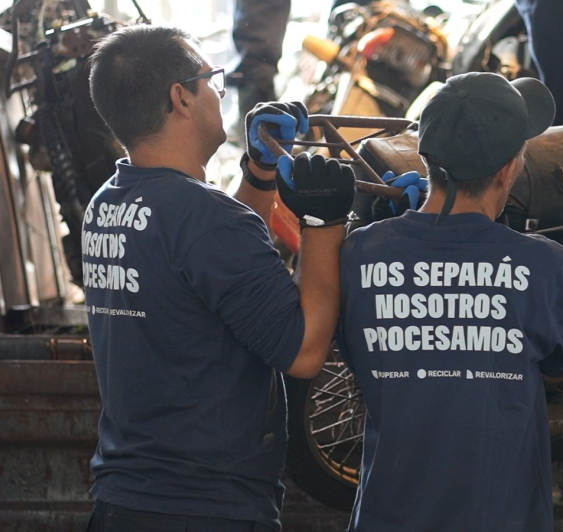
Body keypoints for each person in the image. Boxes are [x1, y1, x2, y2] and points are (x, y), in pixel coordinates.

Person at [82, 25, 353, 531]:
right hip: (204, 507)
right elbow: (304, 351)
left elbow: (220, 270)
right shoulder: (206, 219)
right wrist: (324, 223)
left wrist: (260, 173)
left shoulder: (109, 203)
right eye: (214, 80)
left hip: (126, 502)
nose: (220, 94)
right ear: (181, 98)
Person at [334, 72, 563, 530]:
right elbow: (560, 367)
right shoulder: (544, 265)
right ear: (509, 169)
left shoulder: (359, 254)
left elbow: (364, 360)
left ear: (425, 157)